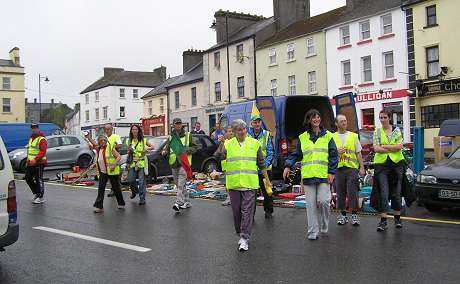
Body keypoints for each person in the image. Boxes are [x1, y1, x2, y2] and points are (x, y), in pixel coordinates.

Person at [215, 119, 270, 252]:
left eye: (244, 129)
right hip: (234, 184)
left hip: (250, 183)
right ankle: (240, 233)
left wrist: (267, 179)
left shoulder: (255, 143)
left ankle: (245, 238)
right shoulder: (228, 144)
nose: (242, 132)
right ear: (234, 132)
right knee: (236, 212)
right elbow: (220, 158)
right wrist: (220, 172)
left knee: (247, 211)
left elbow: (261, 164)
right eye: (239, 130)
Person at [283, 109, 338, 240]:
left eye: (318, 117)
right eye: (313, 117)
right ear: (308, 120)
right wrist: (287, 166)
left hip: (323, 175)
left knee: (324, 201)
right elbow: (296, 154)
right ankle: (313, 232)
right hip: (308, 176)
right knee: (311, 205)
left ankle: (324, 225)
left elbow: (333, 155)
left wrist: (332, 172)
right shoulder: (303, 137)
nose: (316, 119)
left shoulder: (328, 136)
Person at [372, 110, 405, 232]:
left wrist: (384, 146)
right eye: (380, 117)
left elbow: (399, 147)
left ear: (389, 118)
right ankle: (383, 221)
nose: (382, 119)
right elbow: (376, 148)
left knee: (396, 192)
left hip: (396, 165)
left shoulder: (396, 130)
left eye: (385, 117)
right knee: (384, 193)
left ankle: (397, 219)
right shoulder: (377, 131)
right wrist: (392, 148)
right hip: (382, 166)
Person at [332, 114, 365, 226]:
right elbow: (329, 154)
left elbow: (358, 152)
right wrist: (336, 151)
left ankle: (354, 215)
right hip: (338, 169)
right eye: (341, 121)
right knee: (340, 193)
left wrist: (362, 167)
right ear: (336, 124)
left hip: (351, 168)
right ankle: (343, 215)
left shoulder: (353, 136)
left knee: (353, 192)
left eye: (345, 121)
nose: (344, 123)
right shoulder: (332, 137)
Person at [162, 118, 196, 212]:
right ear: (173, 125)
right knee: (179, 185)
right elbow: (167, 149)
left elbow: (195, 147)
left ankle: (178, 202)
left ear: (182, 125)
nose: (178, 125)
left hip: (184, 163)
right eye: (176, 124)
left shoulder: (188, 135)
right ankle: (187, 201)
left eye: (179, 123)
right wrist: (164, 151)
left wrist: (187, 150)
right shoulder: (171, 137)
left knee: (180, 185)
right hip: (174, 163)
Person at [86, 134, 125, 213]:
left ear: (106, 141)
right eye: (101, 141)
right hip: (103, 172)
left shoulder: (110, 148)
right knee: (101, 188)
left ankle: (121, 203)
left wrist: (114, 164)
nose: (103, 142)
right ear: (99, 142)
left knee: (116, 188)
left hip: (111, 172)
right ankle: (99, 207)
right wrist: (93, 165)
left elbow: (118, 157)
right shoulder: (99, 149)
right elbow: (99, 159)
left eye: (104, 140)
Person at [248, 115, 275, 219]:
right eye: (255, 122)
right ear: (251, 123)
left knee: (267, 192)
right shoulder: (247, 135)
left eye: (258, 122)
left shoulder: (266, 134)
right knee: (251, 194)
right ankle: (251, 214)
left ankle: (268, 211)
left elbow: (270, 152)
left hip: (265, 170)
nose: (257, 124)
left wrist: (265, 164)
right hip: (252, 170)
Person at [126, 124, 154, 205]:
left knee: (142, 181)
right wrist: (129, 150)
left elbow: (152, 147)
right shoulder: (129, 140)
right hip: (133, 163)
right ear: (131, 131)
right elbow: (128, 151)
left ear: (138, 131)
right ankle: (134, 191)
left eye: (136, 129)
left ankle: (142, 198)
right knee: (131, 180)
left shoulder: (143, 140)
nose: (134, 131)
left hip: (141, 163)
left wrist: (146, 148)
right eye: (133, 129)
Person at [25, 123, 48, 204]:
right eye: (32, 128)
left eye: (35, 128)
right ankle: (36, 193)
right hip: (31, 163)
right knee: (28, 178)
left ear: (38, 128)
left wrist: (35, 159)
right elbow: (30, 151)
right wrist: (28, 161)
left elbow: (43, 151)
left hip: (39, 163)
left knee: (39, 179)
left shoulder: (42, 139)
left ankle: (40, 196)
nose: (33, 129)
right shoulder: (31, 138)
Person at [215, 126, 233, 206]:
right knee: (226, 183)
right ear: (225, 133)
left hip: (233, 166)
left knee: (232, 183)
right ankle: (229, 198)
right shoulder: (224, 142)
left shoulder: (234, 142)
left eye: (232, 131)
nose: (231, 133)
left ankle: (231, 198)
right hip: (225, 165)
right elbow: (218, 152)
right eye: (229, 131)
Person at [103, 124, 122, 197]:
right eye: (106, 129)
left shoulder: (116, 136)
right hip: (106, 162)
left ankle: (115, 189)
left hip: (115, 159)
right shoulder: (104, 137)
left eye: (109, 129)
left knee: (115, 176)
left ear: (112, 129)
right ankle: (113, 189)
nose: (107, 131)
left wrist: (113, 147)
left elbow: (120, 145)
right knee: (109, 177)